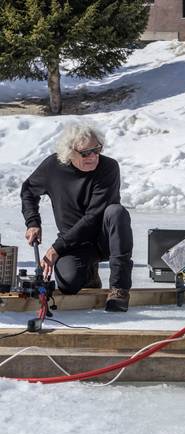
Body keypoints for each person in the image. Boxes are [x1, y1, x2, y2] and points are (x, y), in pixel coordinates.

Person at [20, 122, 133, 312]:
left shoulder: (109, 167)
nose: (93, 157)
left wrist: (56, 248)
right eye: (85, 153)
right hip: (74, 242)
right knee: (68, 284)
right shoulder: (52, 167)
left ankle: (119, 289)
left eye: (97, 150)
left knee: (117, 212)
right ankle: (88, 273)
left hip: (103, 238)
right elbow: (29, 190)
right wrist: (33, 222)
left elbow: (94, 216)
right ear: (69, 152)